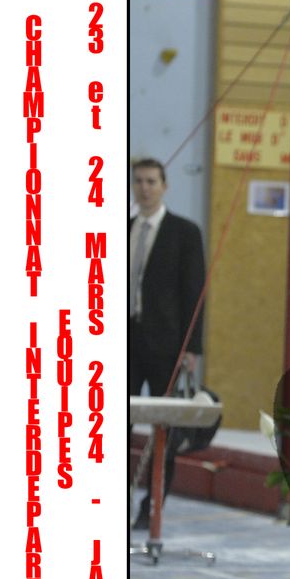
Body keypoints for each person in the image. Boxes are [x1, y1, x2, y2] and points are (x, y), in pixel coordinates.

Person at [129, 158, 206, 528]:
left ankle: (152, 506)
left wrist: (193, 347)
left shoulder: (184, 232)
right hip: (128, 342)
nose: (144, 188)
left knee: (164, 429)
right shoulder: (124, 228)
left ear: (164, 186)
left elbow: (195, 293)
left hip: (167, 345)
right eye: (139, 181)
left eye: (151, 181)